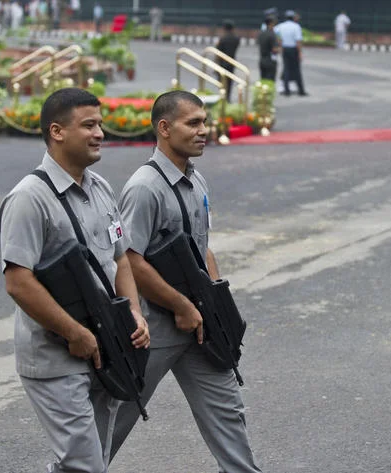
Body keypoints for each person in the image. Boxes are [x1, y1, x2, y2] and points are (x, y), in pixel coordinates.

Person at [110, 90, 263, 472]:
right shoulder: (145, 187)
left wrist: (215, 305)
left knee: (228, 411)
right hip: (156, 327)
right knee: (117, 416)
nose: (203, 130)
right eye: (192, 123)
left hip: (200, 324)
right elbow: (130, 258)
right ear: (164, 128)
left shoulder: (197, 182)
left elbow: (202, 246)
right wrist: (181, 305)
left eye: (204, 122)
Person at [0, 88, 150, 473]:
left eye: (100, 124)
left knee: (90, 461)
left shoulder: (101, 189)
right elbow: (18, 282)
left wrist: (133, 313)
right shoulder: (28, 198)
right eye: (88, 125)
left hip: (107, 346)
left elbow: (121, 260)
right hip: (56, 355)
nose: (100, 133)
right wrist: (74, 334)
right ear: (57, 131)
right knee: (85, 464)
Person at [275, 10, 307, 97]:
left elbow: (274, 34)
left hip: (285, 49)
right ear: (293, 17)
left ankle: (286, 90)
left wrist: (280, 43)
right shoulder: (296, 26)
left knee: (286, 69)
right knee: (297, 70)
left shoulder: (281, 26)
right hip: (293, 49)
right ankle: (301, 90)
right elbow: (298, 41)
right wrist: (300, 52)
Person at [214, 19, 241, 102]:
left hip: (222, 63)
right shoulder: (236, 39)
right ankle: (228, 99)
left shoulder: (222, 39)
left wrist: (215, 65)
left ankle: (223, 99)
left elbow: (218, 53)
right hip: (231, 63)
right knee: (229, 82)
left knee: (222, 83)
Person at [258, 15, 278, 81]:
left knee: (263, 80)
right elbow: (274, 50)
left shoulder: (261, 33)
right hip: (270, 61)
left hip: (262, 60)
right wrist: (280, 48)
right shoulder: (272, 34)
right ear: (271, 23)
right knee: (270, 81)